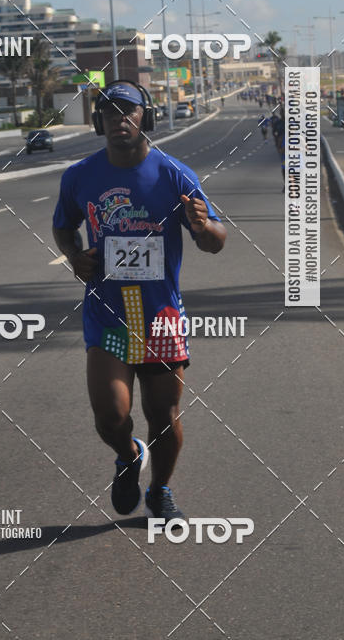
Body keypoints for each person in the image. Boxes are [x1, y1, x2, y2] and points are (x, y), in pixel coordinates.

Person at [52, 81, 226, 522]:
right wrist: (74, 255)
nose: (119, 120)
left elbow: (215, 241)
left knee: (164, 415)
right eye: (110, 113)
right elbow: (64, 226)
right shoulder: (79, 176)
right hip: (107, 314)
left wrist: (204, 226)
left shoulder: (174, 174)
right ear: (99, 123)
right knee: (110, 416)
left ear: (145, 117)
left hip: (160, 316)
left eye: (128, 111)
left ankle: (160, 491)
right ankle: (129, 455)